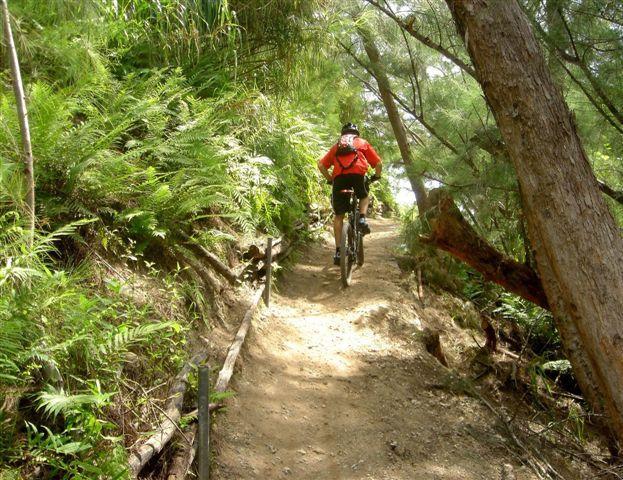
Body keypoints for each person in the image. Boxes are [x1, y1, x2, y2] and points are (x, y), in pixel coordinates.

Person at [317, 122, 382, 265]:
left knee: (339, 216)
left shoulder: (337, 146)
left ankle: (339, 251)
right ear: (356, 133)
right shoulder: (362, 142)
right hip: (358, 175)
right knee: (364, 196)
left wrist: (330, 179)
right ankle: (363, 219)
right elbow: (378, 163)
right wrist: (376, 176)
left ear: (343, 134)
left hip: (339, 178)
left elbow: (321, 165)